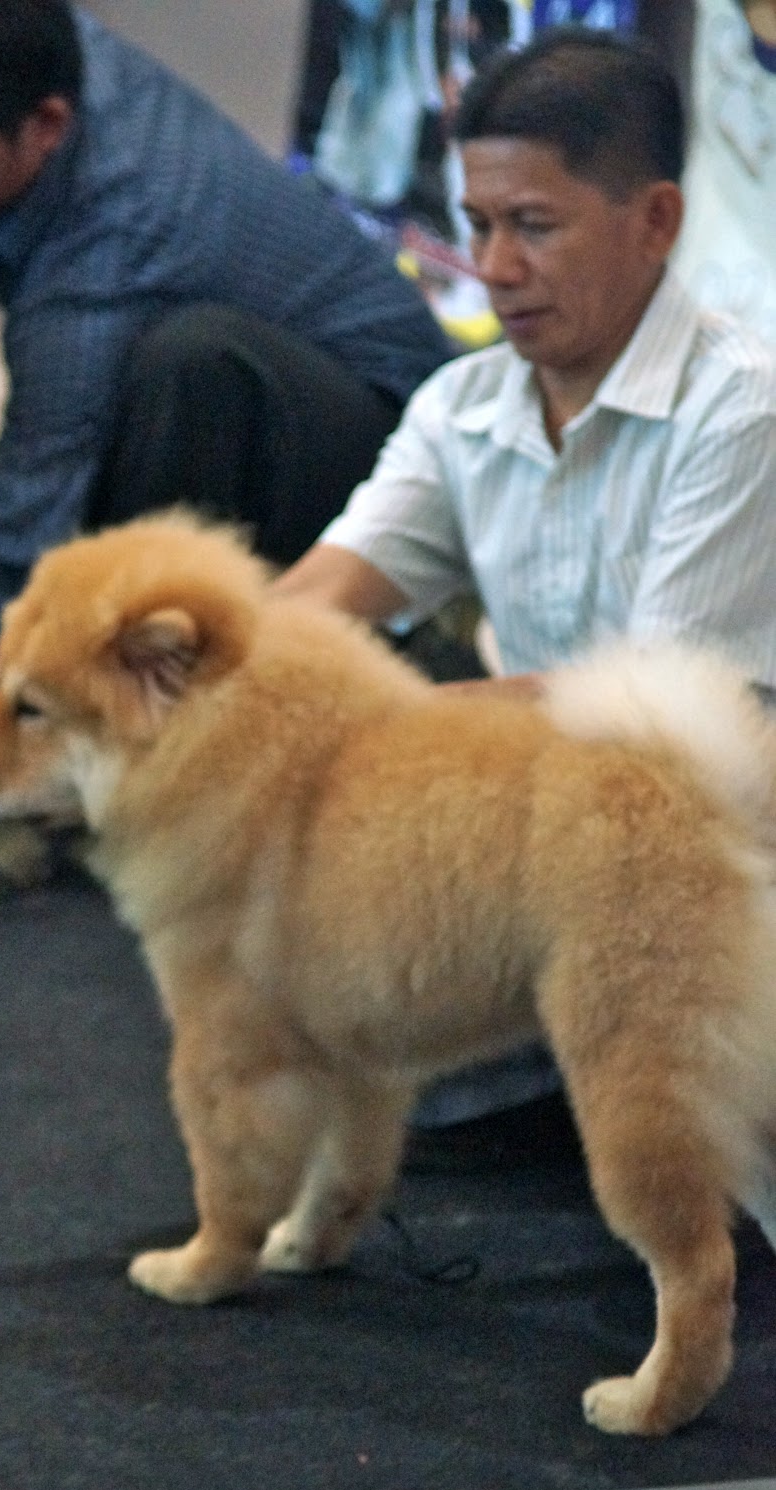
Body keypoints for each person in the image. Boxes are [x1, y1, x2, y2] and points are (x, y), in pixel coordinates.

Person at [0, 0, 453, 939]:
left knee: (172, 379)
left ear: (47, 127)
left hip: (378, 463)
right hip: (268, 391)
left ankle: (93, 773)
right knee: (136, 403)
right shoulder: (40, 53)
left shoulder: (106, 241)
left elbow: (14, 522)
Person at [275, 24, 776, 1126]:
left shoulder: (744, 409)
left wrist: (364, 738)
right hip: (568, 852)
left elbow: (649, 713)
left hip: (720, 859)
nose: (493, 269)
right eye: (479, 226)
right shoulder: (459, 408)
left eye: (533, 227)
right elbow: (302, 613)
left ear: (656, 223)